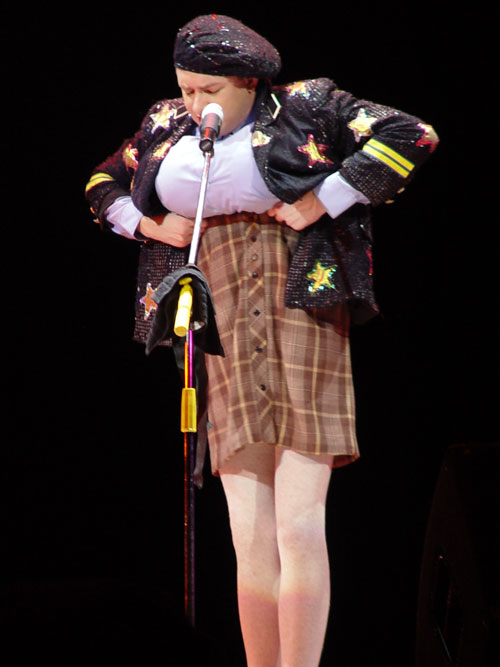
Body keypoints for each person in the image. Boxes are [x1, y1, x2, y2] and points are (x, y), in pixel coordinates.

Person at [85, 14, 438, 666]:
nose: (195, 104)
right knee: (247, 531)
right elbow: (101, 183)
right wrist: (150, 226)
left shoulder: (306, 105)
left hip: (299, 302)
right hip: (217, 316)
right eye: (186, 89)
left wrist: (325, 199)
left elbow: (412, 133)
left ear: (248, 82)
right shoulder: (166, 123)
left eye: (209, 91)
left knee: (297, 524)